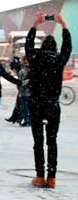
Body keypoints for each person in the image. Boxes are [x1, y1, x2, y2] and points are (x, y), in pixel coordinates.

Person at [25, 12, 71, 188]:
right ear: (55, 48)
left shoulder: (35, 59)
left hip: (36, 104)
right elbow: (68, 47)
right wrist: (64, 25)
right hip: (53, 105)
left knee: (38, 142)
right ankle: (51, 178)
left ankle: (39, 176)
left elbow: (28, 46)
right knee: (52, 141)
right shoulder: (59, 60)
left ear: (42, 46)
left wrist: (35, 25)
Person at [5, 57, 23, 124]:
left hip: (23, 90)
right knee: (19, 103)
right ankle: (16, 117)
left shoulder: (23, 68)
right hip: (21, 89)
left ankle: (17, 117)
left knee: (21, 103)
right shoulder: (21, 68)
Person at [17, 56, 31, 127]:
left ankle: (27, 120)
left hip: (24, 92)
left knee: (25, 107)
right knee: (30, 107)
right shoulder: (32, 68)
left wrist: (20, 88)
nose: (20, 61)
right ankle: (30, 120)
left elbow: (20, 81)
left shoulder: (23, 70)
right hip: (31, 92)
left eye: (21, 60)